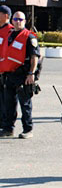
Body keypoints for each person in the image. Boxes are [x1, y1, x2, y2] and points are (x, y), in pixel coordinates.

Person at [0, 11, 39, 139]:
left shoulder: (29, 37)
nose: (18, 21)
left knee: (25, 104)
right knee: (8, 104)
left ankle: (28, 129)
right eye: (16, 19)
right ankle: (8, 129)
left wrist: (31, 74)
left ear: (25, 21)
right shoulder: (9, 35)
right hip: (9, 75)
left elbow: (34, 57)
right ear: (12, 21)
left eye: (20, 19)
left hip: (23, 75)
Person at [0, 5, 14, 132]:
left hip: (6, 72)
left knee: (6, 100)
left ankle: (6, 124)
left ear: (6, 16)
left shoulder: (11, 31)